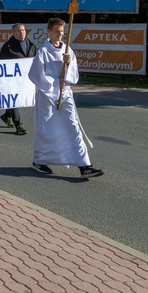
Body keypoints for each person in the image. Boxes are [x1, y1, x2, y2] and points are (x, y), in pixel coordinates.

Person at [28, 18, 104, 179]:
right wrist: (55, 82)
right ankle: (39, 161)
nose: (60, 35)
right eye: (57, 31)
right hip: (47, 96)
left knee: (72, 127)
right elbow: (35, 74)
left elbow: (73, 74)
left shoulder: (67, 50)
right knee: (46, 129)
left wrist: (68, 67)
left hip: (66, 94)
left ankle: (85, 166)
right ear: (48, 32)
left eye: (62, 32)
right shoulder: (43, 52)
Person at [0, 23, 36, 135]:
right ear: (13, 33)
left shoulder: (31, 45)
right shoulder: (7, 47)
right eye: (19, 31)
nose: (22, 33)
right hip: (12, 80)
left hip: (27, 79)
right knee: (12, 100)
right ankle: (18, 124)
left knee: (18, 100)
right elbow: (2, 64)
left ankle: (6, 116)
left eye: (23, 30)